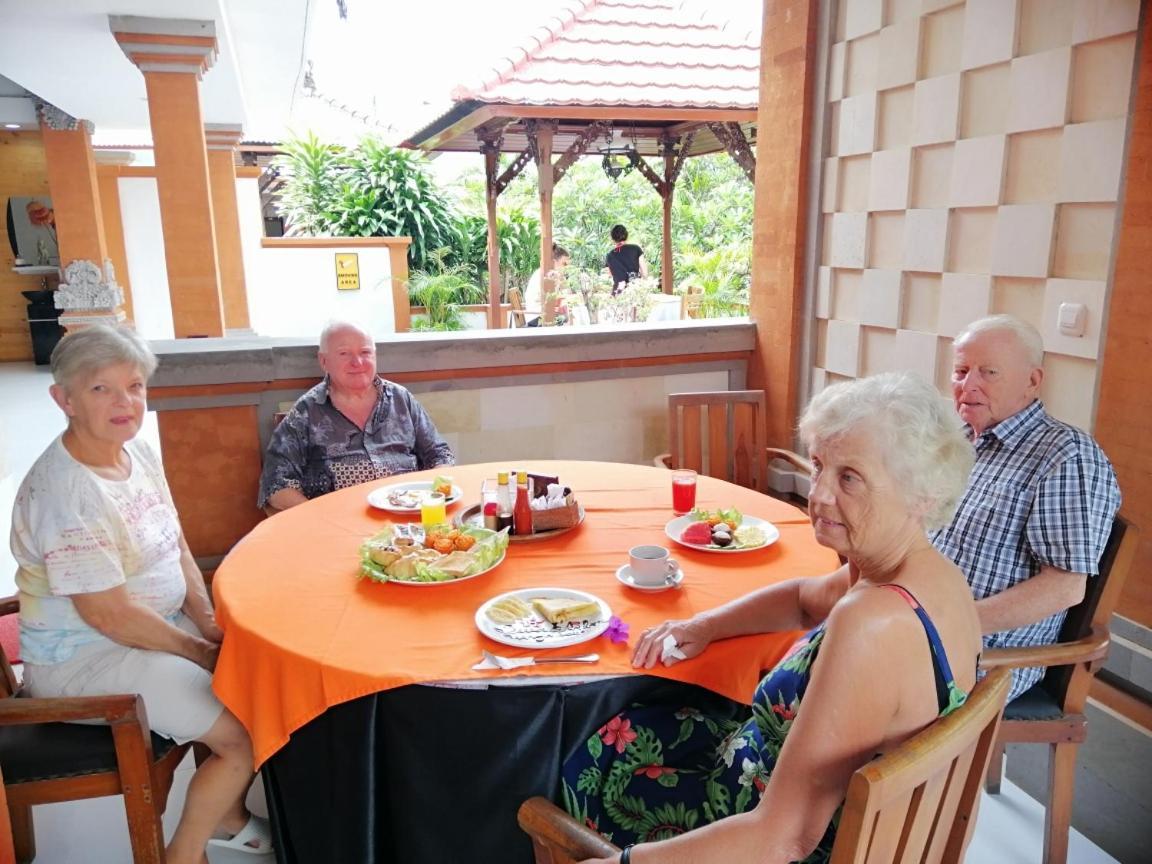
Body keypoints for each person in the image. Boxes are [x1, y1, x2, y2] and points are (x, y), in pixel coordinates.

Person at [565, 373, 981, 864]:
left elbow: (784, 840)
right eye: (820, 465)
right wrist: (703, 626)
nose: (819, 494)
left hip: (772, 830)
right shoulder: (929, 576)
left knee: (587, 759)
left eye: (849, 477)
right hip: (783, 785)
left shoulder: (871, 622)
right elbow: (805, 598)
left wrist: (620, 863)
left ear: (922, 495)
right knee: (637, 719)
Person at [10, 325, 271, 862]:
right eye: (101, 388)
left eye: (134, 385)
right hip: (88, 660)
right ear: (65, 400)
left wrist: (205, 620)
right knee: (248, 730)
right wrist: (199, 651)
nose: (124, 401)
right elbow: (108, 616)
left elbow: (175, 543)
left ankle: (225, 814)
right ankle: (184, 854)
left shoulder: (137, 452)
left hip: (152, 631)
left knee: (258, 675)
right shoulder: (66, 490)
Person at [931, 314, 1121, 701]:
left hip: (986, 657)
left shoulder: (1066, 456)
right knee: (810, 652)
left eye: (989, 373)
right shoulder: (962, 439)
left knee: (840, 689)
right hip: (922, 624)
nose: (969, 386)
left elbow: (1064, 588)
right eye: (962, 371)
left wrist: (945, 624)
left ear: (1032, 381)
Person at [258, 321, 454, 513]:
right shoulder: (306, 412)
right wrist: (318, 519)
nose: (357, 362)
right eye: (344, 353)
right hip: (339, 525)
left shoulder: (401, 399)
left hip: (408, 520)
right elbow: (276, 486)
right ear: (324, 361)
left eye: (365, 352)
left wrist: (431, 499)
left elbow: (439, 454)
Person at [524, 244, 571, 326]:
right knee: (570, 320)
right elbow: (554, 301)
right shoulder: (547, 275)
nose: (566, 267)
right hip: (538, 319)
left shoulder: (548, 273)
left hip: (540, 316)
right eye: (564, 263)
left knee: (569, 318)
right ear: (554, 262)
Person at [605, 224, 648, 290]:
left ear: (613, 239)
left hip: (618, 291)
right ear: (626, 236)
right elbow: (644, 274)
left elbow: (610, 275)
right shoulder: (636, 249)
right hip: (634, 289)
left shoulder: (609, 255)